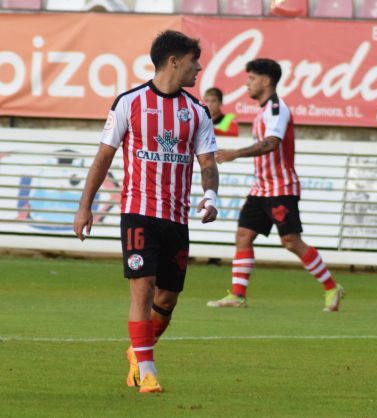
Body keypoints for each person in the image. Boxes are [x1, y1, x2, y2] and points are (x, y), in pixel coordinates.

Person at [73, 30, 219, 393]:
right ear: (174, 61)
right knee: (143, 288)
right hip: (138, 212)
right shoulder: (129, 102)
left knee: (166, 299)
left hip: (176, 217)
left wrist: (211, 194)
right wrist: (84, 206)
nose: (198, 68)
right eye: (193, 61)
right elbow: (104, 156)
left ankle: (138, 352)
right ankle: (148, 371)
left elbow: (208, 162)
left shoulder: (196, 111)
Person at [207, 58, 344, 312]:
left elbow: (271, 143)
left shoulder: (276, 109)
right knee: (243, 236)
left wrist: (236, 152)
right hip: (261, 188)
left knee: (291, 242)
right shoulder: (262, 111)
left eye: (251, 79)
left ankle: (331, 287)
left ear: (266, 81)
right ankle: (237, 295)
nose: (247, 84)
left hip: (281, 188)